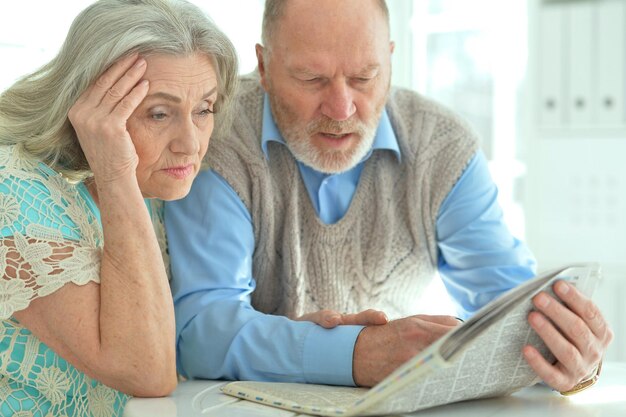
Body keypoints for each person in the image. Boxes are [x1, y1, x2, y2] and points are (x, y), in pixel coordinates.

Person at [165, 0, 612, 394]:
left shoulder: (443, 148)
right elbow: (202, 334)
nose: (341, 109)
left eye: (364, 77)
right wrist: (358, 354)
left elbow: (510, 314)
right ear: (263, 67)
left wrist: (567, 356)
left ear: (391, 62)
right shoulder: (216, 137)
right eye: (311, 78)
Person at [0, 0, 237, 415]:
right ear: (91, 108)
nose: (191, 143)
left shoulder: (155, 188)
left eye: (203, 110)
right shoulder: (15, 192)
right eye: (159, 113)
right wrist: (114, 173)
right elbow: (147, 373)